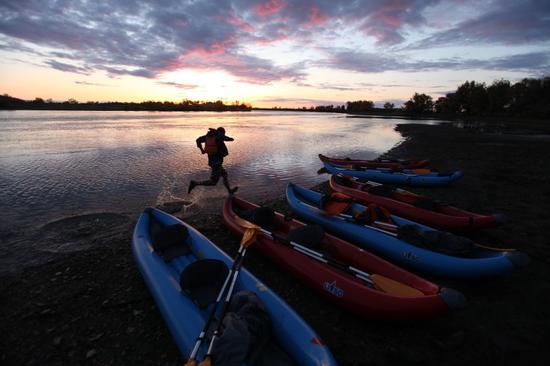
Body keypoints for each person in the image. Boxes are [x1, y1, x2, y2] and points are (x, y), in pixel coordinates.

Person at [188, 127, 239, 195]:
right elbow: (229, 139)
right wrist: (230, 138)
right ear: (221, 132)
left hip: (214, 162)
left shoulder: (208, 136)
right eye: (223, 133)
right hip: (216, 163)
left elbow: (198, 140)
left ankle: (230, 191)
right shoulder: (219, 135)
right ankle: (195, 183)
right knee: (213, 182)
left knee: (224, 174)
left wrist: (202, 150)